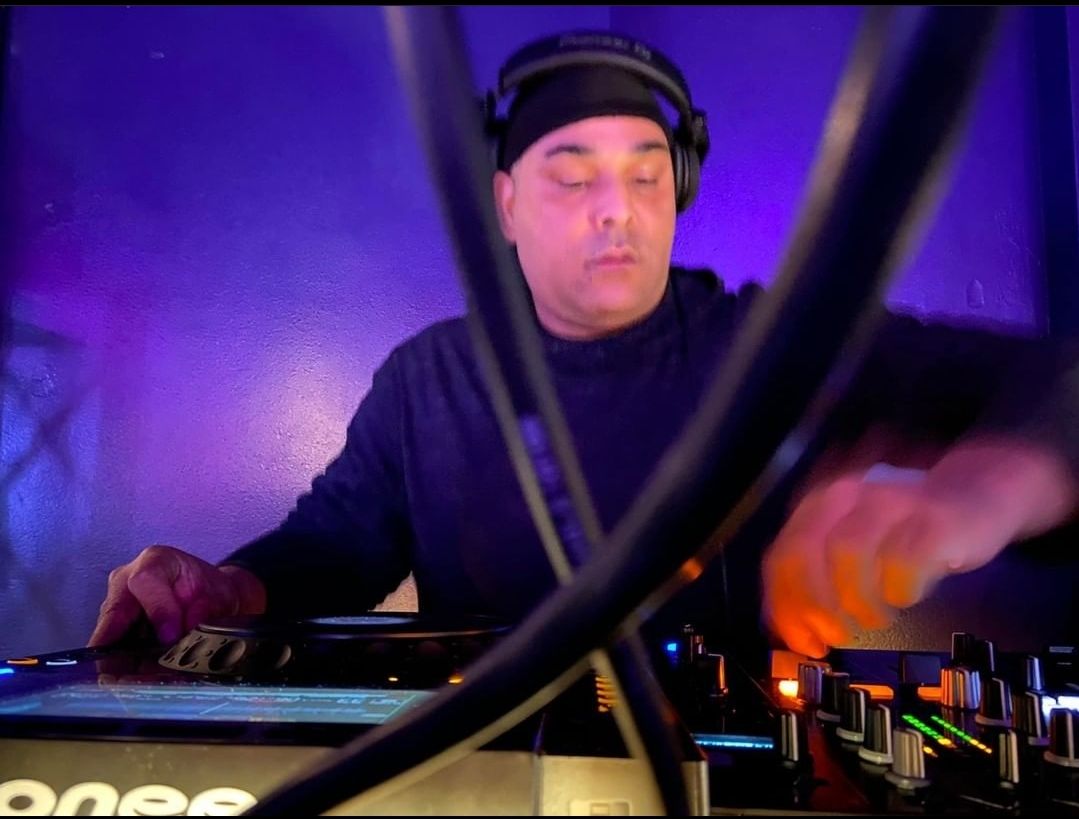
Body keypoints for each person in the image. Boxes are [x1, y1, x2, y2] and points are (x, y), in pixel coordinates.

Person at [89, 30, 1079, 665]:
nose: (617, 209)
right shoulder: (426, 380)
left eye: (646, 176)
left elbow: (1058, 386)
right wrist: (224, 589)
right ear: (506, 206)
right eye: (572, 177)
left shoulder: (771, 344)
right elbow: (329, 551)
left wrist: (982, 487)